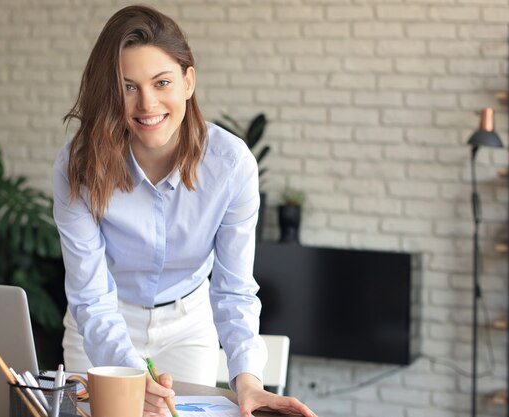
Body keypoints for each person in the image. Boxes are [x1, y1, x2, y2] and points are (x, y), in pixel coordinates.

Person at [52, 5, 316, 417]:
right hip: (102, 323)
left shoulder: (230, 166)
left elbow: (233, 289)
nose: (147, 103)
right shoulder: (79, 165)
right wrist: (129, 373)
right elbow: (90, 296)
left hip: (187, 324)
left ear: (188, 81)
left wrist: (247, 381)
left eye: (162, 82)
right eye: (128, 87)